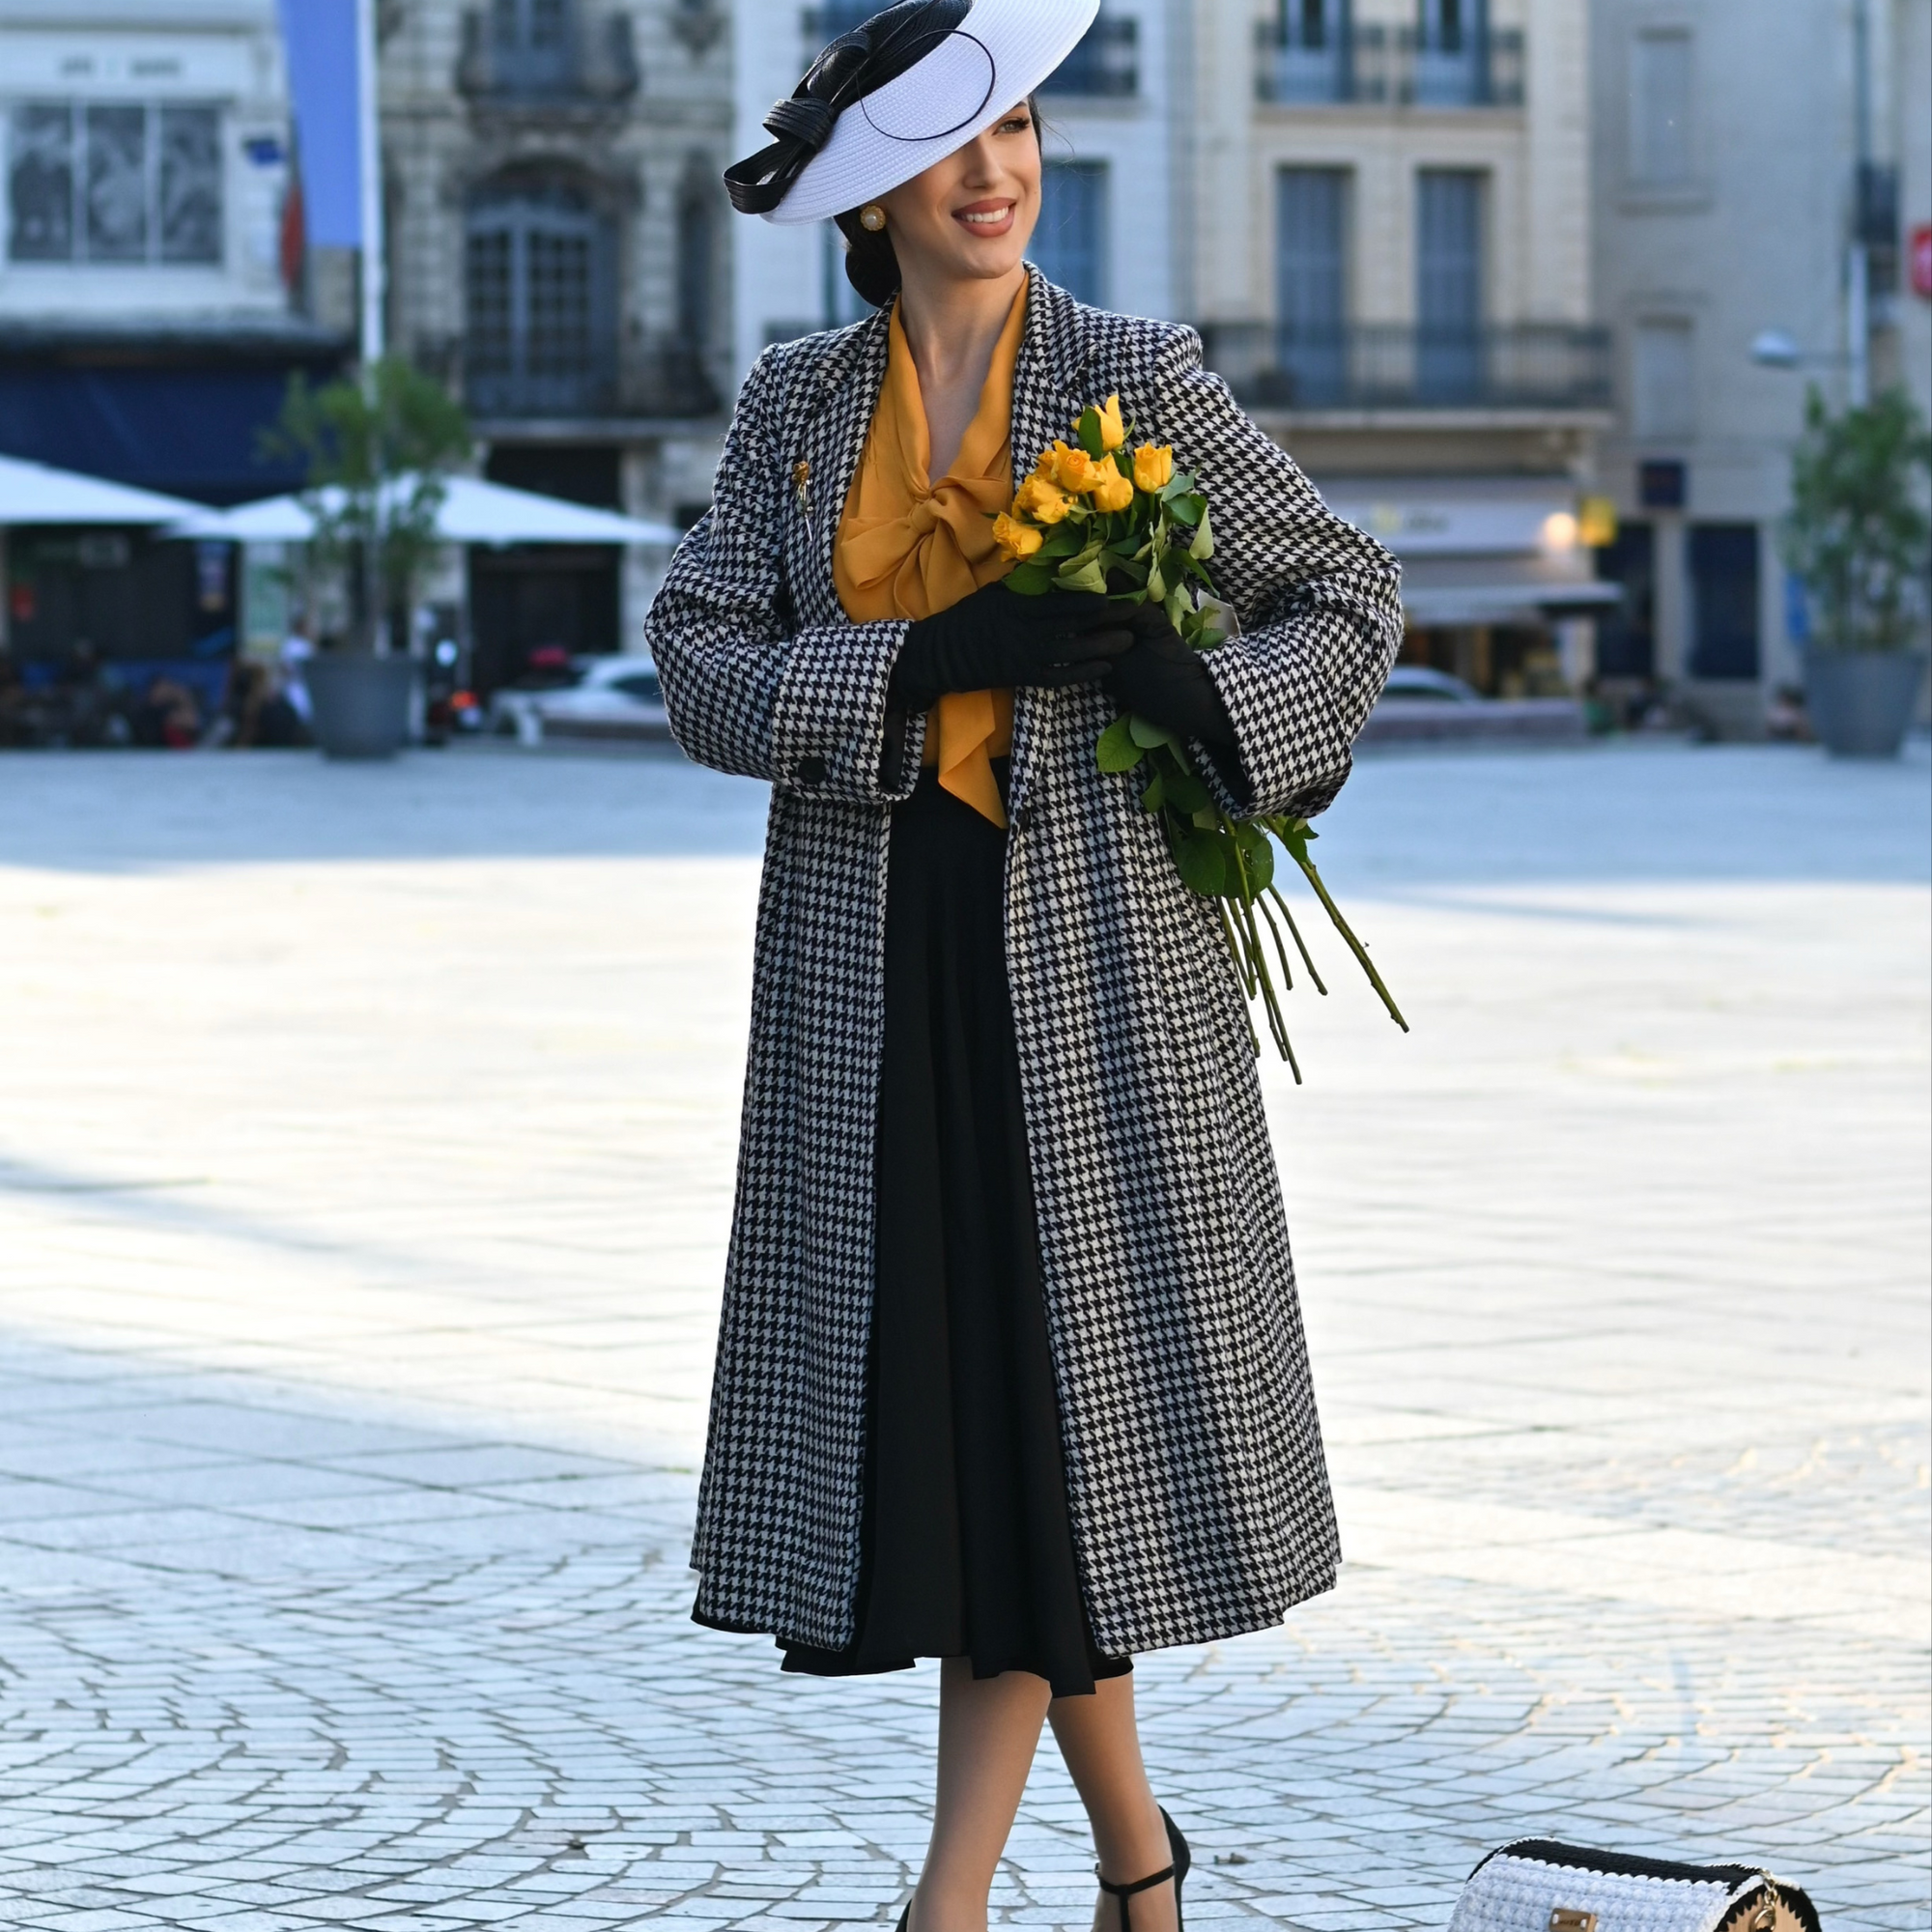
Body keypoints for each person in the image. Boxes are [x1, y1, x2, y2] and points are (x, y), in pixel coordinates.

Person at [646, 6, 1403, 1928]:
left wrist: (1202, 693)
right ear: (870, 203)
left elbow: (1347, 589)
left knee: (1044, 1442)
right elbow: (697, 657)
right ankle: (1139, 1868)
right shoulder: (795, 406)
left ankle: (953, 1904)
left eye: (1018, 133)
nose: (996, 175)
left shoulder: (1135, 377)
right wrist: (913, 660)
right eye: (946, 151)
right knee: (985, 1443)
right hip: (873, 974)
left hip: (1099, 981)